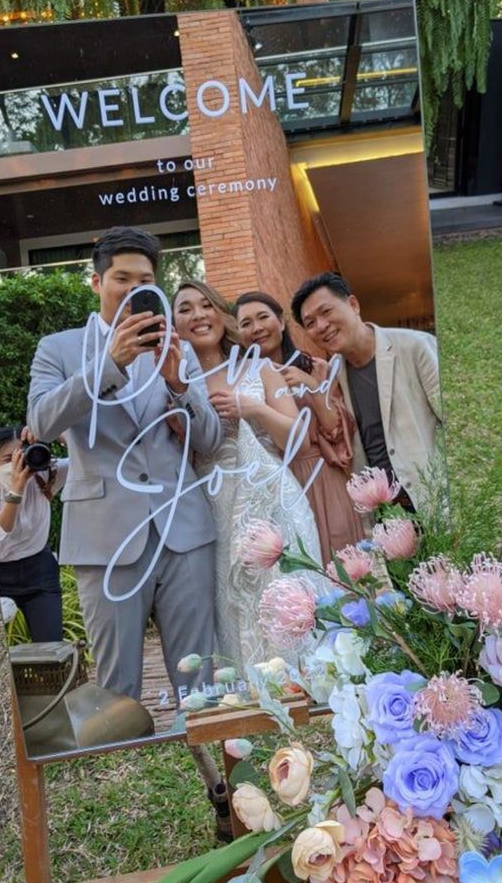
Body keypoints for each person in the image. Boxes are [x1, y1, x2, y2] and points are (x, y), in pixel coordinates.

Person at [26, 226, 223, 704]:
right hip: (105, 536)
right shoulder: (60, 349)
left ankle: (221, 779)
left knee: (203, 686)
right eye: (122, 279)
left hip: (184, 531)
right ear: (96, 283)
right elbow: (42, 422)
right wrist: (109, 364)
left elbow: (211, 439)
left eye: (146, 279)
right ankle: (126, 767)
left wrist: (178, 387)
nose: (136, 290)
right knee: (117, 691)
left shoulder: (178, 350)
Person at [172, 280, 322, 668]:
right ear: (174, 324)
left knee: (284, 597)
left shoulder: (261, 368)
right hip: (215, 508)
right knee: (234, 605)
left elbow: (299, 442)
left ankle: (306, 689)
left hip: (274, 503)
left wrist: (251, 408)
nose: (198, 315)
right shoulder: (174, 383)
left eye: (206, 305)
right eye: (185, 309)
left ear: (221, 314)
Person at [291, 272, 443, 515]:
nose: (321, 326)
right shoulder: (331, 376)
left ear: (353, 304)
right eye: (310, 323)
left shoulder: (415, 347)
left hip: (431, 498)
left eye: (326, 311)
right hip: (384, 516)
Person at [235, 291, 364, 562]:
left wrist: (314, 387)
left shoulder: (316, 368)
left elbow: (338, 432)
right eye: (245, 323)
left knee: (341, 566)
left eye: (263, 317)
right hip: (274, 486)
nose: (256, 328)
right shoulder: (239, 379)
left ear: (281, 322)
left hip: (321, 478)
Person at [0, 425, 67, 643]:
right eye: (8, 459)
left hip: (39, 570)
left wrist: (59, 434)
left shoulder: (46, 475)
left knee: (51, 648)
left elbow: (92, 460)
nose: (18, 465)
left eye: (23, 456)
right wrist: (16, 489)